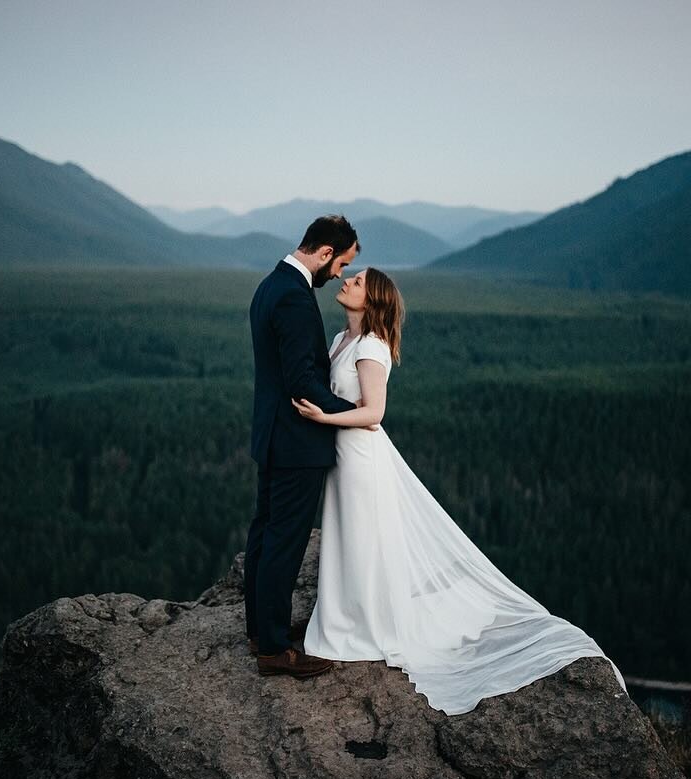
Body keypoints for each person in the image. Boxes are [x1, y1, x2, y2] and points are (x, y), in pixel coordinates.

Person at [292, 267, 628, 715]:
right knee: (347, 537)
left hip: (362, 458)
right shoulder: (340, 341)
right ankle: (346, 615)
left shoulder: (372, 347)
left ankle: (367, 623)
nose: (348, 281)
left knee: (363, 537)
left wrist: (323, 419)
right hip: (340, 457)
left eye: (358, 281)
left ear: (373, 300)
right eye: (349, 277)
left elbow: (373, 413)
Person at [245, 214, 362, 679]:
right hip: (296, 442)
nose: (339, 275)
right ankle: (273, 648)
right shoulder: (294, 298)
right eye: (341, 264)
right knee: (284, 543)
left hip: (271, 437)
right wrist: (350, 409)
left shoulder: (270, 285)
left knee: (265, 532)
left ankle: (259, 630)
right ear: (326, 252)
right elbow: (301, 382)